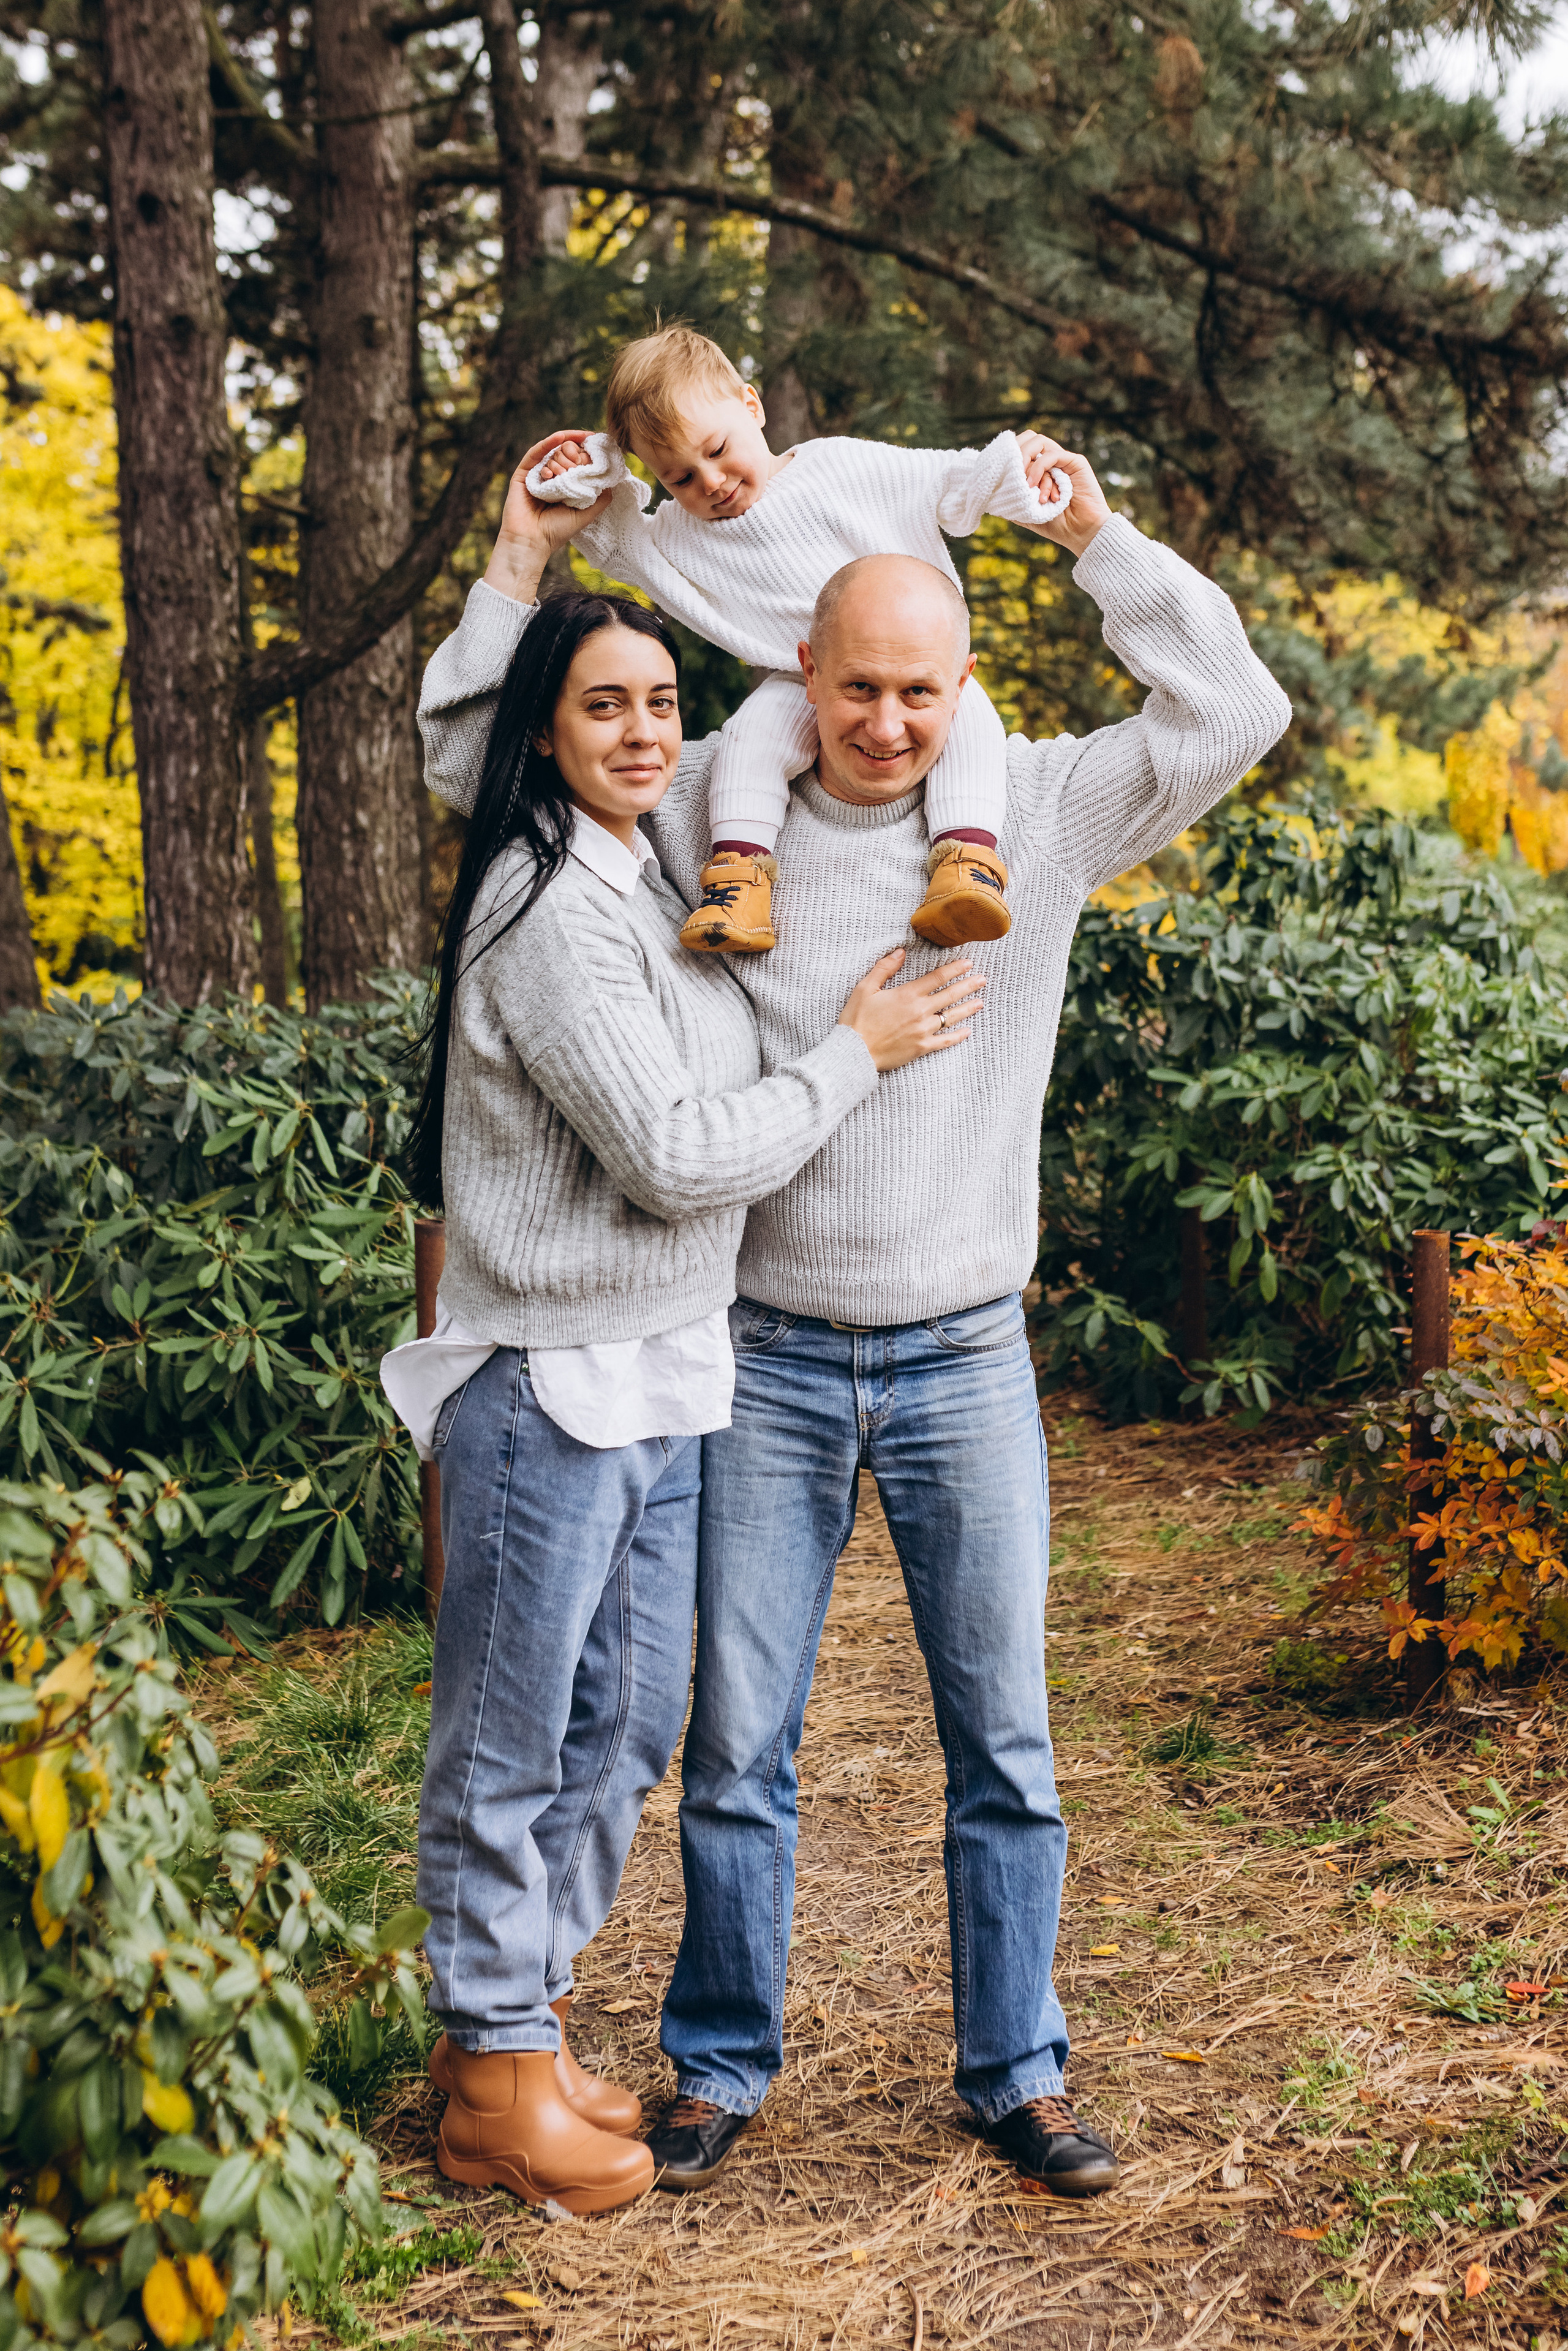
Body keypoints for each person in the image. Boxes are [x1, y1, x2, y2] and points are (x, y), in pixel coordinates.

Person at [416, 423, 1293, 2200]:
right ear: (799, 674)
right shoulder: (697, 829)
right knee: (737, 1742)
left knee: (1008, 1737)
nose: (884, 722)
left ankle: (1016, 2065)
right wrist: (516, 558)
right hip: (764, 1349)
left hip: (968, 1344)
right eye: (855, 686)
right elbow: (484, 763)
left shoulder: (1033, 813)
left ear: (960, 684)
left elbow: (1232, 712)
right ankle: (719, 2055)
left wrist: (1100, 534)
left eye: (918, 688)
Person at [388, 584, 985, 2218]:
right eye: (606, 706)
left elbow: (849, 712)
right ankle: (496, 2067)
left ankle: (509, 2014)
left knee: (633, 1713)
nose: (648, 732)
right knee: (512, 1732)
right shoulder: (547, 908)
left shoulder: (647, 865)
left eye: (664, 701)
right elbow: (668, 1154)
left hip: (667, 1367)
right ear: (545, 728)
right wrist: (860, 1048)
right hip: (549, 1378)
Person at [527, 323, 1074, 955]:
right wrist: (586, 471)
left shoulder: (838, 467)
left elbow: (942, 482)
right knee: (750, 738)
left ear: (752, 406)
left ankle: (967, 863)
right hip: (801, 680)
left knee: (967, 718)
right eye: (678, 478)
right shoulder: (679, 535)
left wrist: (1011, 474)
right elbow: (620, 542)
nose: (709, 481)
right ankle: (739, 879)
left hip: (912, 664)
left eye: (717, 448)